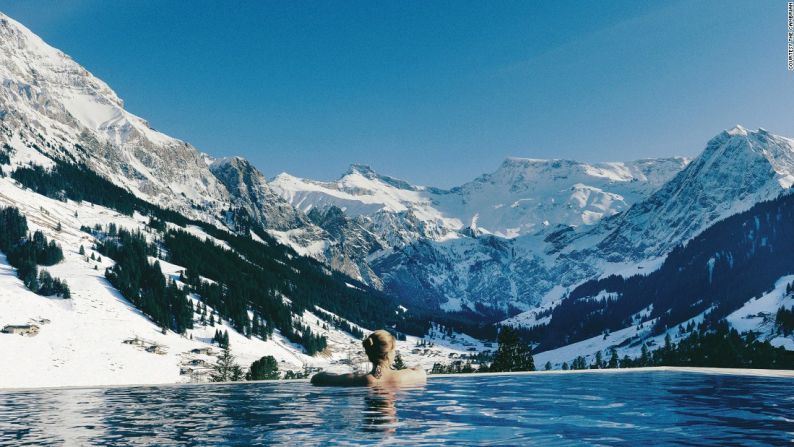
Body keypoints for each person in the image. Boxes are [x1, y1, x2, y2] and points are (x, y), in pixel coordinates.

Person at [311, 330, 427, 387]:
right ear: (390, 353)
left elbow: (316, 379)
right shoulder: (406, 376)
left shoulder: (364, 380)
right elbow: (421, 371)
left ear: (369, 352)